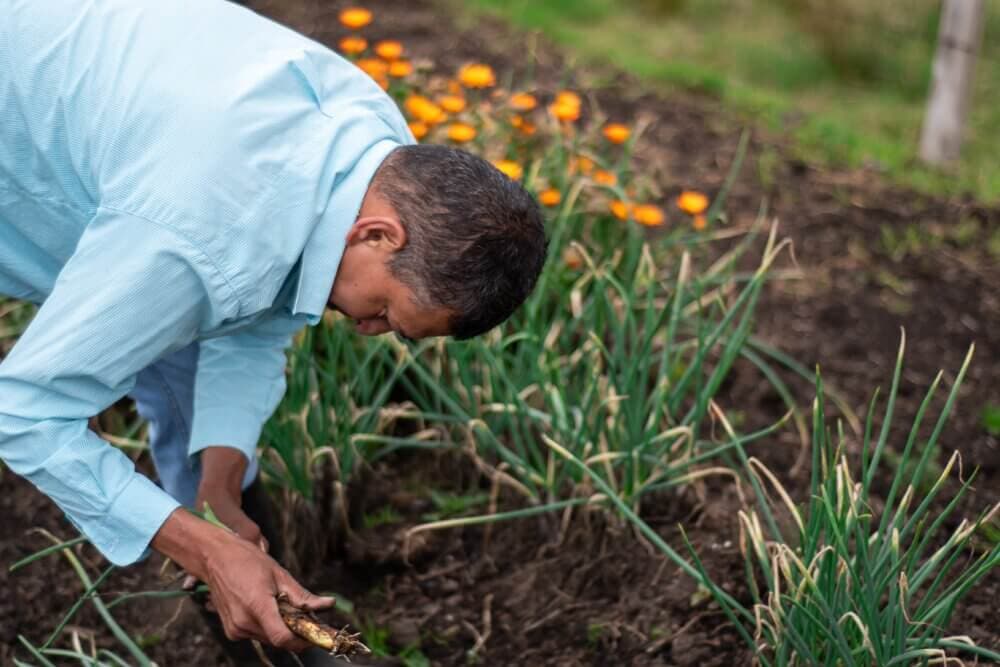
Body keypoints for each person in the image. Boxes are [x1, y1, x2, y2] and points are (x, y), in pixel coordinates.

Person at [0, 0, 546, 664]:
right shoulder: (197, 234)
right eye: (388, 315)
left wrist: (218, 487)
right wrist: (208, 551)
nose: (372, 331)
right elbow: (26, 412)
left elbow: (259, 306)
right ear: (379, 235)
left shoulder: (379, 158)